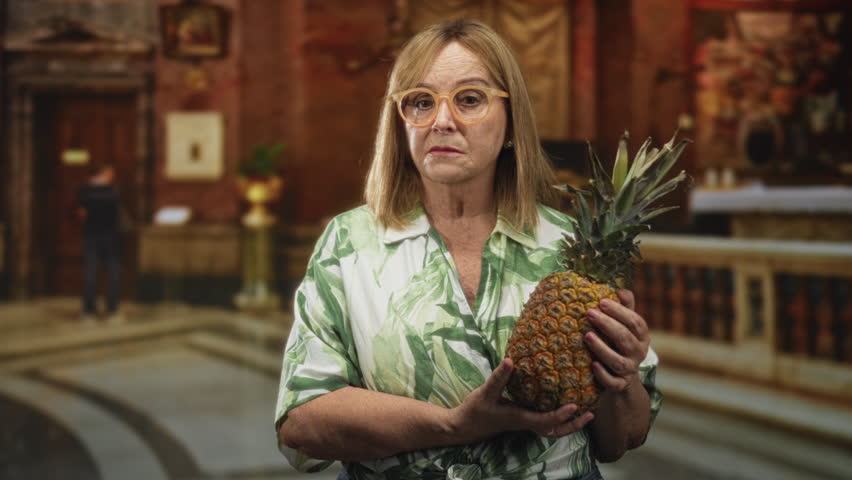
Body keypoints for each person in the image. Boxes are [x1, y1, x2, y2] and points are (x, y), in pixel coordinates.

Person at [275, 19, 661, 480]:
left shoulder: (572, 249)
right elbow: (300, 421)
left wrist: (623, 379)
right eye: (420, 102)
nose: (441, 121)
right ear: (401, 124)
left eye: (470, 99)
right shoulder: (349, 243)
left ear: (511, 119)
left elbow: (622, 440)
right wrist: (452, 425)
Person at [77, 163, 124, 324]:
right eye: (111, 173)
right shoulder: (113, 191)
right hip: (111, 237)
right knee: (113, 274)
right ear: (105, 173)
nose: (113, 176)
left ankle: (88, 312)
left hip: (91, 235)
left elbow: (82, 215)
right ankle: (112, 311)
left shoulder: (84, 191)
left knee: (91, 273)